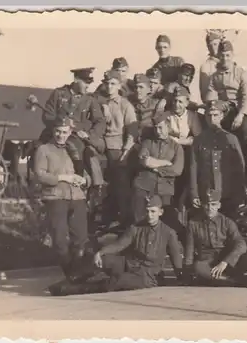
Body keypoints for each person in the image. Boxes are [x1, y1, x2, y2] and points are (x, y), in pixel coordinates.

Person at [48, 195, 184, 296]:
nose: (149, 215)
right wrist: (101, 253)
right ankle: (70, 280)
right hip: (129, 264)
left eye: (153, 212)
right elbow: (120, 244)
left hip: (147, 275)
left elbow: (176, 258)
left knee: (116, 281)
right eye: (147, 211)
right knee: (104, 260)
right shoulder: (137, 227)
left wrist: (182, 277)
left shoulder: (168, 233)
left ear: (160, 212)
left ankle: (71, 290)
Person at [34, 116, 92, 281]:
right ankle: (70, 273)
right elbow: (40, 175)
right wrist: (63, 178)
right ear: (53, 131)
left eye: (65, 132)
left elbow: (84, 172)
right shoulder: (44, 150)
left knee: (81, 239)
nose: (61, 135)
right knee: (59, 240)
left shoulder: (75, 148)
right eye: (58, 131)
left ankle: (77, 274)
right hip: (56, 197)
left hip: (77, 197)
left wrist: (84, 180)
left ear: (70, 132)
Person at [37, 67, 107, 190]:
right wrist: (61, 123)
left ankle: (82, 181)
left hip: (76, 136)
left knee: (78, 151)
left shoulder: (89, 100)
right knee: (39, 149)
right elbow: (47, 116)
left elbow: (100, 121)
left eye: (89, 83)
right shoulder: (58, 94)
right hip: (55, 132)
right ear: (76, 80)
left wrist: (89, 134)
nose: (87, 86)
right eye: (85, 82)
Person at [204, 41, 247, 182]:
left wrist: (241, 115)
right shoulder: (215, 76)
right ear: (219, 56)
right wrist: (213, 104)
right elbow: (211, 94)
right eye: (222, 55)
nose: (225, 58)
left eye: (227, 55)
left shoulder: (240, 73)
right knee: (218, 137)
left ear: (232, 55)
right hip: (224, 110)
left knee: (245, 135)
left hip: (240, 109)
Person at [190, 100, 246, 220]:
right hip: (206, 192)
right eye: (209, 115)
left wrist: (239, 193)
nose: (212, 119)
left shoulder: (231, 139)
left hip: (227, 192)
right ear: (205, 117)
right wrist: (194, 193)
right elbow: (193, 168)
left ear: (222, 116)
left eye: (215, 115)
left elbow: (240, 167)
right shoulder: (199, 140)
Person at [95, 69, 138, 226]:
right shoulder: (98, 102)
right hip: (99, 145)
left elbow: (132, 131)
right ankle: (102, 218)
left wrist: (125, 152)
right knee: (99, 184)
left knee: (120, 185)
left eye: (113, 84)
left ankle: (124, 220)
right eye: (106, 83)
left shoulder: (125, 105)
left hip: (117, 148)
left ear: (119, 85)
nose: (109, 87)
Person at [132, 110, 184, 225]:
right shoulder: (147, 142)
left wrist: (156, 168)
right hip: (144, 185)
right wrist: (165, 162)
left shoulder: (176, 147)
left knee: (167, 220)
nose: (158, 131)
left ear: (168, 126)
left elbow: (177, 170)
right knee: (139, 219)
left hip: (165, 188)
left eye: (160, 128)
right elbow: (145, 161)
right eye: (155, 128)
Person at [164, 86, 203, 228]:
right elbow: (163, 135)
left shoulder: (192, 116)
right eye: (175, 101)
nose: (177, 105)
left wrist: (179, 141)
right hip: (171, 153)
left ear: (187, 103)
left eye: (181, 101)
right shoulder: (167, 115)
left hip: (188, 153)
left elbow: (197, 138)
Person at [129, 73, 160, 142]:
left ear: (149, 89)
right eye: (136, 87)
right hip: (132, 140)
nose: (137, 90)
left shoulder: (156, 104)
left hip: (149, 141)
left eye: (141, 87)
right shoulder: (128, 103)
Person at [199, 31, 223, 104]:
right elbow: (205, 93)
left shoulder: (229, 63)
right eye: (210, 46)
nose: (213, 48)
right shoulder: (206, 66)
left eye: (215, 44)